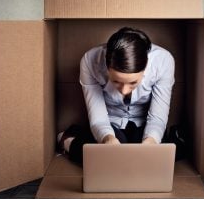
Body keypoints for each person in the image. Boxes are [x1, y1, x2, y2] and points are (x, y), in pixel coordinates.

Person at [57, 27, 176, 164]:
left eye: (133, 82)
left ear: (145, 68)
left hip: (144, 122)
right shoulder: (90, 61)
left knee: (160, 158)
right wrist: (108, 138)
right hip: (111, 121)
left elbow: (157, 118)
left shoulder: (163, 61)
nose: (124, 91)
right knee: (109, 160)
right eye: (116, 81)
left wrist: (151, 142)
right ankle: (68, 142)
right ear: (107, 67)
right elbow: (98, 118)